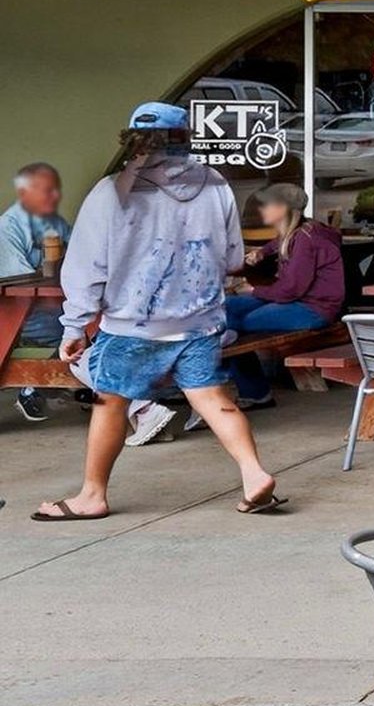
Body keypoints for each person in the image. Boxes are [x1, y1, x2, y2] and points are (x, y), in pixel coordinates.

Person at [31, 103, 282, 521]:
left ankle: (92, 495)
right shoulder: (216, 185)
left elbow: (88, 266)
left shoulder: (113, 190)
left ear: (131, 140)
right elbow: (234, 255)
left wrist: (75, 324)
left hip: (133, 325)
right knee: (210, 397)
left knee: (109, 401)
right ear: (184, 138)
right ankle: (254, 474)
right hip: (200, 322)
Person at [221, 182, 346, 405]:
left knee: (235, 322)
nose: (262, 210)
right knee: (227, 308)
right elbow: (279, 243)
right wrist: (262, 252)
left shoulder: (307, 241)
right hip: (296, 300)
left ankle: (254, 392)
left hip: (313, 309)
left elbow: (291, 290)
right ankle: (249, 389)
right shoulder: (300, 230)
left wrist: (254, 290)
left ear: (283, 209)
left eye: (267, 205)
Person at [1, 161, 70, 422]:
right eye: (46, 190)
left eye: (55, 189)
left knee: (90, 320)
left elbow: (83, 253)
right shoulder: (7, 228)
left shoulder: (54, 223)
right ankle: (31, 386)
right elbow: (19, 285)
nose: (54, 196)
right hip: (16, 312)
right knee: (76, 325)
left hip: (48, 303)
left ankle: (74, 382)